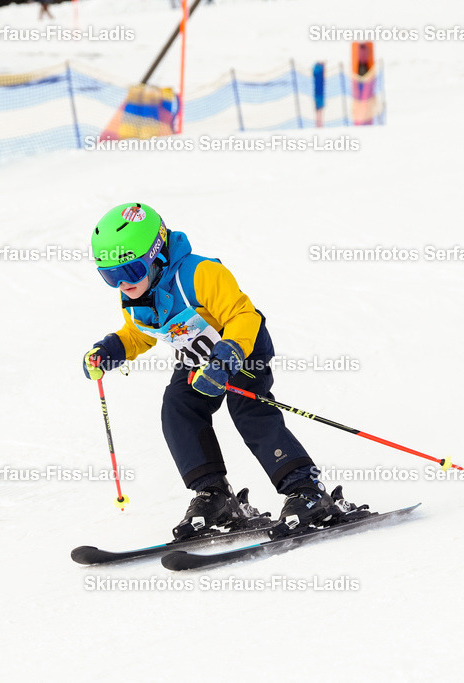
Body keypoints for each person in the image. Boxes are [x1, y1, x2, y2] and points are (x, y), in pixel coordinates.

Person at [82, 203, 366, 539]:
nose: (122, 285)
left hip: (241, 349)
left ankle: (306, 490)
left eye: (128, 272)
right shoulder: (135, 295)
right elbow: (139, 333)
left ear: (156, 254)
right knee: (178, 406)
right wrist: (111, 350)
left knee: (249, 410)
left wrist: (226, 358)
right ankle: (214, 496)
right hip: (196, 359)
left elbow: (244, 316)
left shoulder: (200, 274)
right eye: (109, 276)